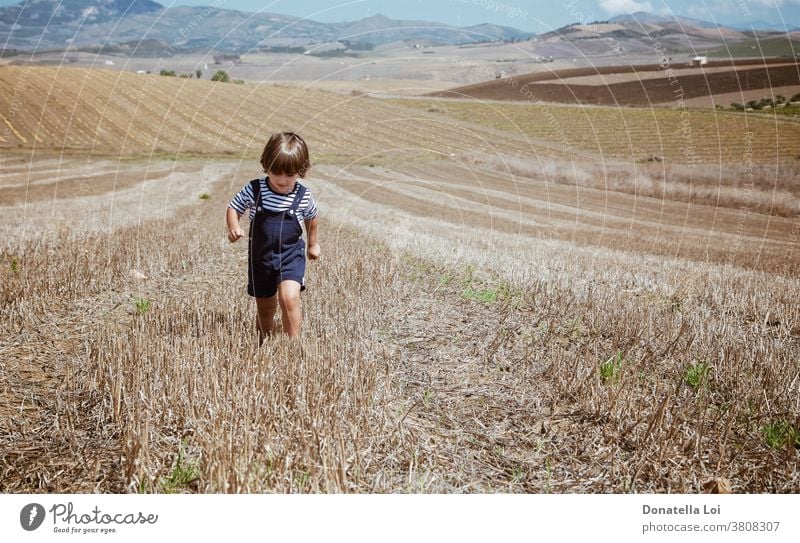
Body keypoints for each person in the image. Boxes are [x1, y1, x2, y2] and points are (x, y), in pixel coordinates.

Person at [226, 132, 320, 342]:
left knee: (289, 298)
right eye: (276, 172)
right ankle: (263, 339)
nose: (282, 180)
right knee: (266, 307)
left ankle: (293, 343)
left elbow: (312, 218)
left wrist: (312, 245)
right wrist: (233, 227)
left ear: (300, 171)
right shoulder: (255, 189)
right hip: (261, 260)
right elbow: (233, 207)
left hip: (290, 257)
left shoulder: (303, 195)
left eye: (290, 174)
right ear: (266, 164)